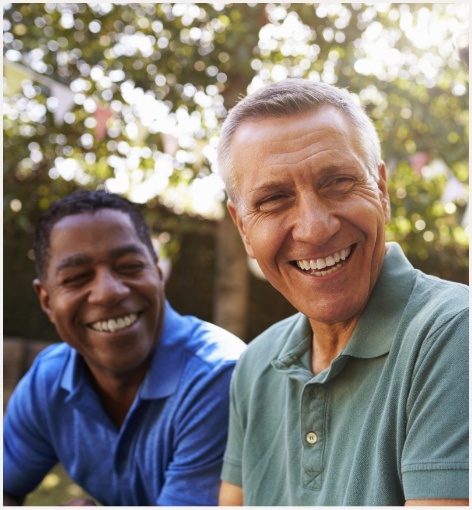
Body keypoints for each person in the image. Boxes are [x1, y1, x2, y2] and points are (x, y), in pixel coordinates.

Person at [216, 78, 468, 506]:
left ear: (382, 192)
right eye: (275, 199)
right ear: (242, 228)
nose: (314, 228)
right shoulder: (256, 365)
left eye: (338, 182)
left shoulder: (453, 333)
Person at [3, 190, 246, 506]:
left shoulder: (218, 375)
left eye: (130, 266)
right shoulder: (48, 381)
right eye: (77, 277)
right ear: (46, 300)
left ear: (158, 273)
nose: (107, 293)